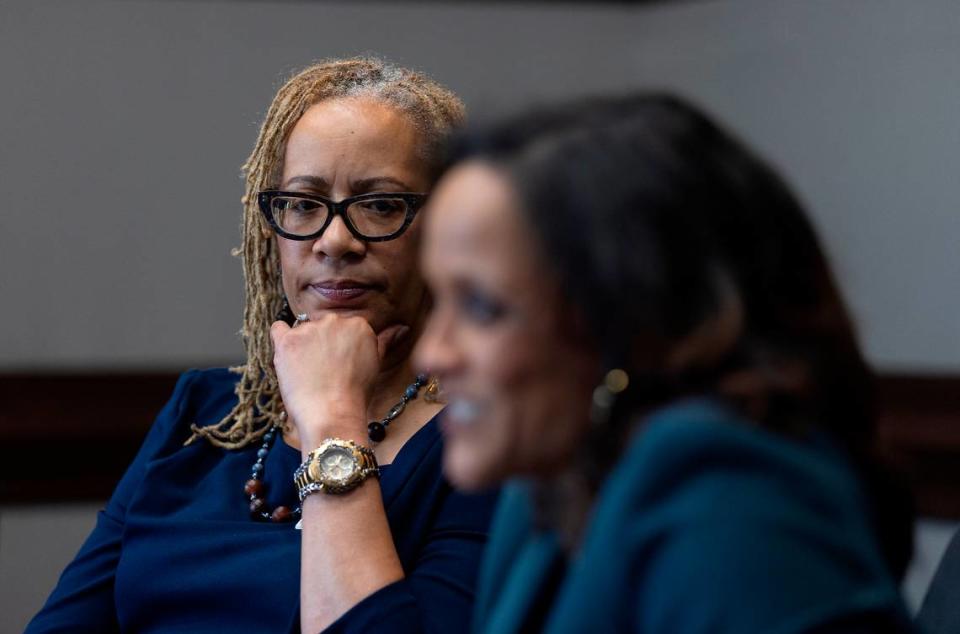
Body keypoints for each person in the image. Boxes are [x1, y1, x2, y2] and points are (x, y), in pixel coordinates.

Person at [28, 57, 498, 634]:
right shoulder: (204, 413)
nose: (334, 240)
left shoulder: (482, 443)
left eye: (380, 205)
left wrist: (332, 421)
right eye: (303, 204)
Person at [414, 93, 916, 633]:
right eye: (437, 298)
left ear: (633, 322)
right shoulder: (548, 484)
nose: (432, 353)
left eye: (482, 308)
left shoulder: (728, 496)